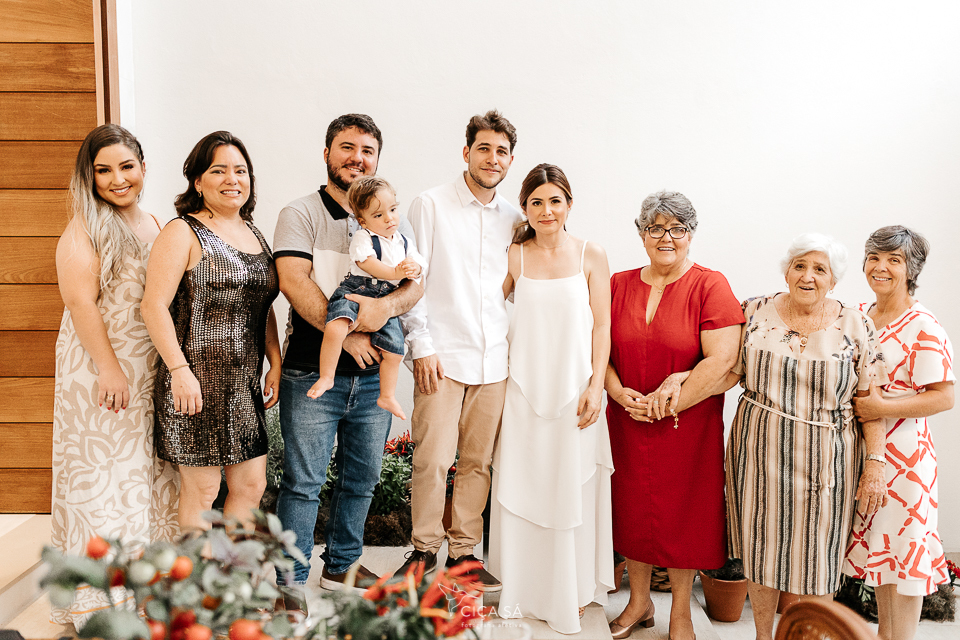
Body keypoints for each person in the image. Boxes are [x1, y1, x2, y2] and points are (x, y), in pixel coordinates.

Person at [272, 114, 422, 591]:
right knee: (303, 483)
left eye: (367, 151)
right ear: (327, 154)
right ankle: (291, 582)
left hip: (374, 376)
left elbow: (414, 285)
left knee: (362, 479)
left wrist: (383, 310)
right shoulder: (300, 213)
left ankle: (342, 565)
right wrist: (352, 334)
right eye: (347, 147)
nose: (357, 158)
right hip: (310, 370)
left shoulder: (393, 218)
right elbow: (293, 280)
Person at [722, 233, 887, 640]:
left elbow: (870, 402)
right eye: (799, 266)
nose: (807, 276)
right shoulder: (754, 310)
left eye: (819, 269)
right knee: (760, 550)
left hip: (827, 460)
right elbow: (726, 371)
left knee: (821, 557)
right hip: (759, 451)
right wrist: (681, 381)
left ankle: (814, 635)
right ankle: (763, 635)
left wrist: (875, 463)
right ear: (786, 271)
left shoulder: (857, 324)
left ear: (834, 280)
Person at [52, 124, 179, 627]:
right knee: (105, 481)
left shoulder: (155, 221)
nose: (117, 178)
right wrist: (108, 368)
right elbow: (80, 303)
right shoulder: (84, 227)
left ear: (144, 167)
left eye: (127, 166)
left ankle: (147, 592)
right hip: (100, 370)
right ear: (90, 176)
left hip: (147, 371)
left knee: (146, 481)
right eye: (103, 170)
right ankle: (101, 603)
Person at [605, 191, 743, 640]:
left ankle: (681, 612)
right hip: (626, 418)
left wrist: (667, 405)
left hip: (688, 425)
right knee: (631, 511)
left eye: (677, 229)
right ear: (641, 234)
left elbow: (722, 360)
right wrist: (617, 392)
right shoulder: (617, 283)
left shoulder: (710, 285)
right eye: (655, 228)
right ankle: (639, 602)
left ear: (691, 234)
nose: (666, 237)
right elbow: (595, 350)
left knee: (685, 516)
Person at [396, 110, 522, 589]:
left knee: (477, 463)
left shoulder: (515, 218)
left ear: (510, 160)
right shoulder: (430, 204)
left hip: (494, 362)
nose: (493, 159)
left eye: (502, 151)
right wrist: (421, 347)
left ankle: (464, 553)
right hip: (442, 357)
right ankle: (424, 549)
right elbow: (414, 282)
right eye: (484, 148)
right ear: (466, 151)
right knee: (432, 460)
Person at [488, 164, 614, 634]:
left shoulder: (590, 254)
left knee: (569, 485)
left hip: (574, 392)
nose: (546, 210)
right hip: (522, 390)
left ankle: (570, 591)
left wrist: (596, 386)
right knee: (525, 484)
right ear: (524, 207)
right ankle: (521, 590)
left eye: (555, 201)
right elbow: (486, 311)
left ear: (569, 204)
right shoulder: (514, 256)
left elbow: (602, 325)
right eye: (536, 202)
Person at [142, 131, 281, 533]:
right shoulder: (181, 231)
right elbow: (153, 306)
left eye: (240, 170)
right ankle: (199, 576)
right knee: (203, 493)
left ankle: (233, 572)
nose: (232, 179)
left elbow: (261, 304)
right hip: (193, 384)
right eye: (219, 170)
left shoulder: (255, 233)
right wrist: (179, 370)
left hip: (243, 386)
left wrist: (274, 360)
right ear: (198, 181)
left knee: (251, 487)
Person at [842, 226, 954, 640]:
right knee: (882, 555)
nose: (881, 267)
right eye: (874, 257)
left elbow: (944, 397)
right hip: (863, 454)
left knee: (904, 559)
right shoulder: (858, 315)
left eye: (894, 260)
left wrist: (882, 408)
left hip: (906, 462)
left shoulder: (923, 325)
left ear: (912, 270)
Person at [306, 176, 426, 421]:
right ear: (362, 221)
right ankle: (327, 376)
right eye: (379, 215)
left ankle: (387, 395)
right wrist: (395, 273)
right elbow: (367, 263)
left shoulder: (403, 241)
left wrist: (415, 268)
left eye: (393, 210)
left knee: (395, 350)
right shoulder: (364, 237)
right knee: (336, 326)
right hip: (358, 289)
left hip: (385, 298)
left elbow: (419, 264)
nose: (389, 218)